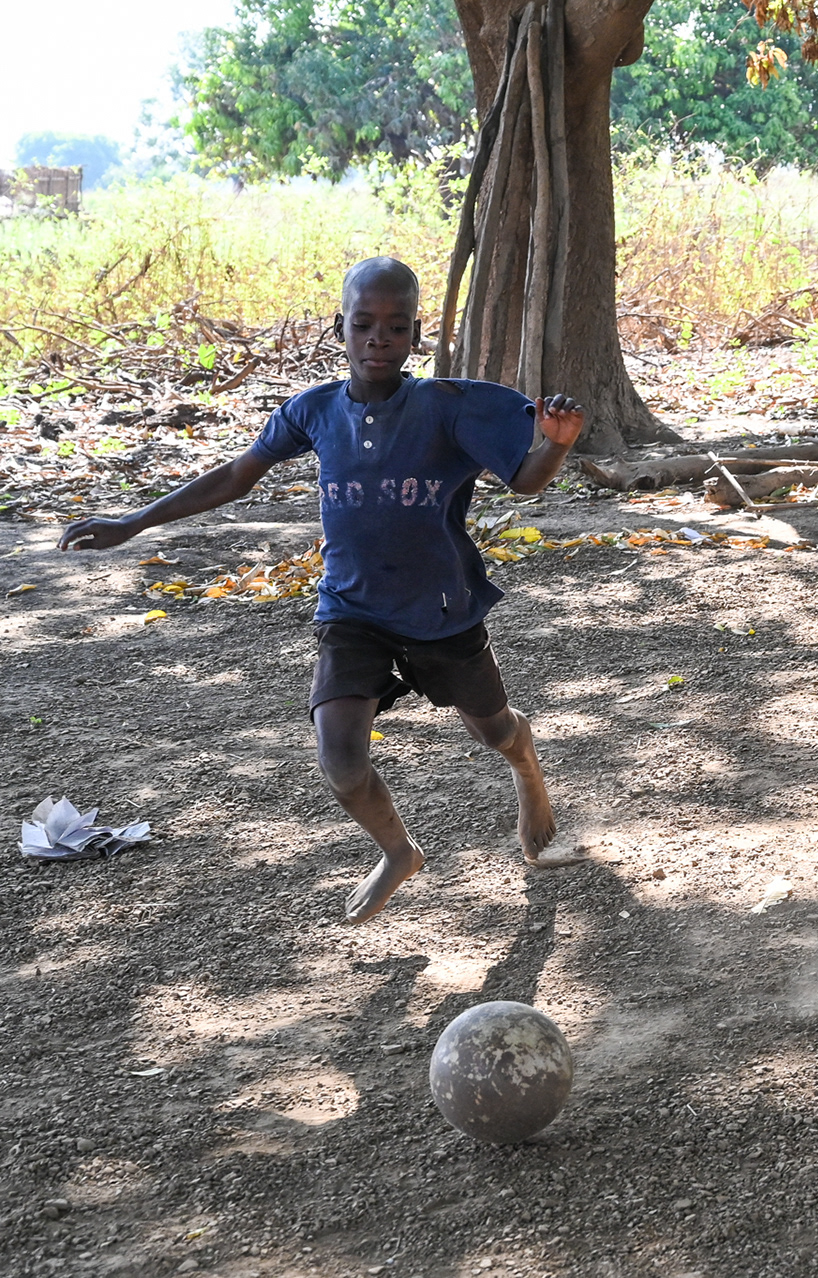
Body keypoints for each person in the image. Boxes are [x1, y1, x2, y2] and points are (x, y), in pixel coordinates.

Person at [58, 257, 583, 924]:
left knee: (494, 731)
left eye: (395, 328)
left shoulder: (447, 409)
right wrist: (131, 522)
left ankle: (527, 767)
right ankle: (398, 850)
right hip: (352, 610)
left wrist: (557, 446)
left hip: (441, 610)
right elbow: (234, 476)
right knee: (339, 761)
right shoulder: (313, 412)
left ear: (415, 335)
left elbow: (526, 478)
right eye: (363, 324)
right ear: (341, 327)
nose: (377, 339)